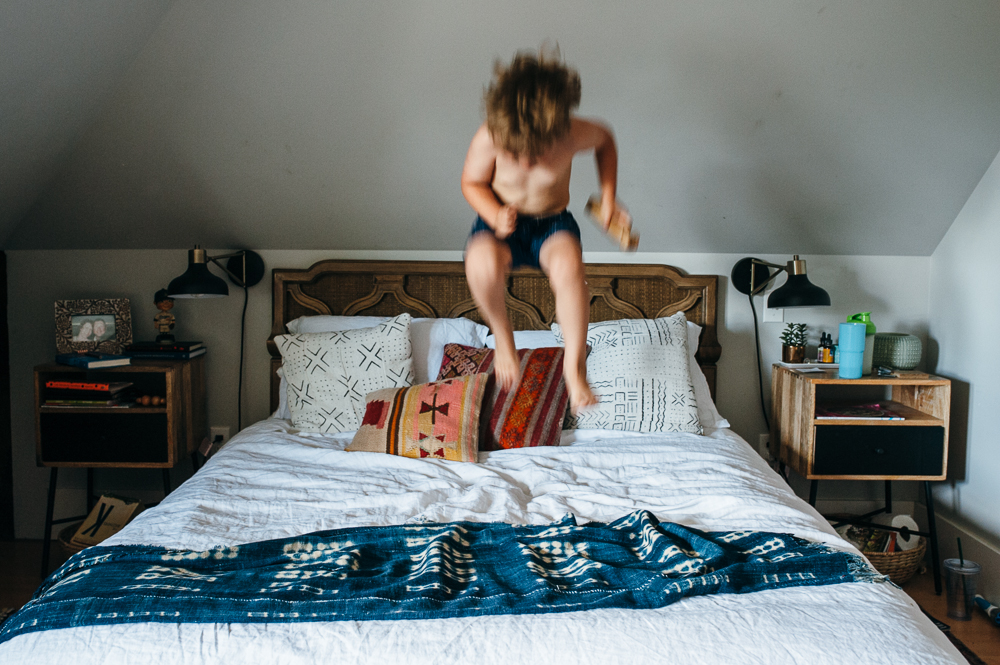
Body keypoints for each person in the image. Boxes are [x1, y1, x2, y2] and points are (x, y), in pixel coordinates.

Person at [461, 49, 629, 413]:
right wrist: (492, 212)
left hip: (552, 224)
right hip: (500, 225)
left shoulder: (573, 132)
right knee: (480, 262)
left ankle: (573, 366)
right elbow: (471, 182)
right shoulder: (490, 134)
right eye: (516, 152)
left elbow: (606, 142)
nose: (525, 162)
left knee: (570, 268)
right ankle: (503, 339)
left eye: (536, 153)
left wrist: (609, 198)